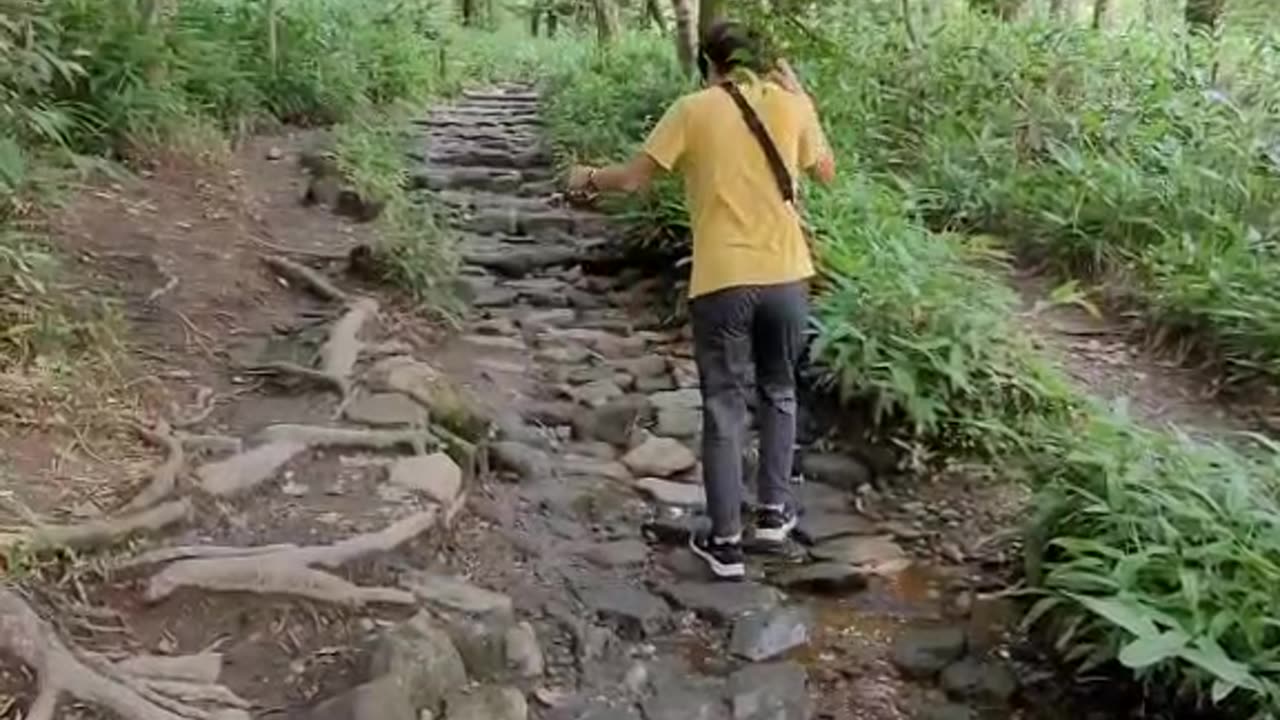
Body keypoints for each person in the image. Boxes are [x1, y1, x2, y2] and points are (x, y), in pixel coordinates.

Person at [565, 19, 836, 580]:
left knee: (724, 404)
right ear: (758, 62)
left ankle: (726, 542)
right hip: (788, 277)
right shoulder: (790, 105)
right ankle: (773, 517)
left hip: (723, 278)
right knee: (780, 391)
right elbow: (826, 172)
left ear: (706, 63)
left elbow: (636, 180)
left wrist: (587, 176)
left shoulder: (692, 109)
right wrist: (804, 99)